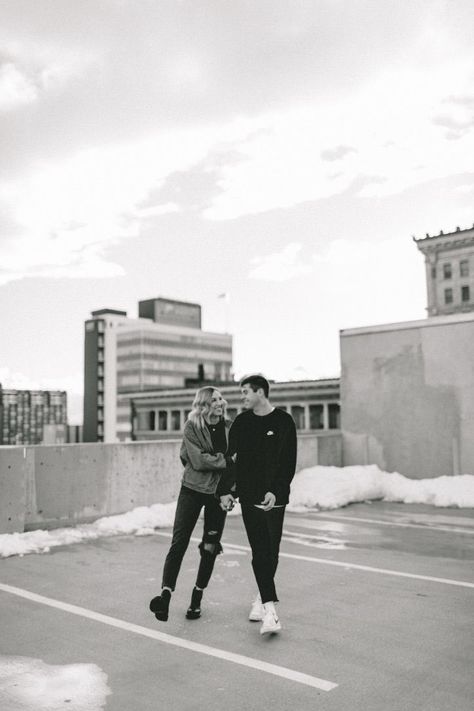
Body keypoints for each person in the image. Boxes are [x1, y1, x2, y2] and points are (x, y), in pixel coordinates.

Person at [149, 387, 234, 622]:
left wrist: (228, 490)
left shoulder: (229, 428)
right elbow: (194, 459)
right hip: (192, 490)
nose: (220, 403)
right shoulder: (192, 426)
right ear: (204, 404)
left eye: (220, 399)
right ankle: (165, 596)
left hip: (218, 494)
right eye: (214, 400)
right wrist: (224, 460)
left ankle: (197, 598)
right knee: (179, 542)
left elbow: (235, 464)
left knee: (210, 547)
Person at [221, 374, 297, 635]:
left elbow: (288, 463)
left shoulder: (284, 421)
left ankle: (260, 598)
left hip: (276, 498)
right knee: (259, 551)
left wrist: (276, 492)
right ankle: (270, 611)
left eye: (246, 392)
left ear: (261, 393)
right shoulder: (242, 423)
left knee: (271, 551)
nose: (242, 397)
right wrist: (226, 491)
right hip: (250, 495)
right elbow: (232, 460)